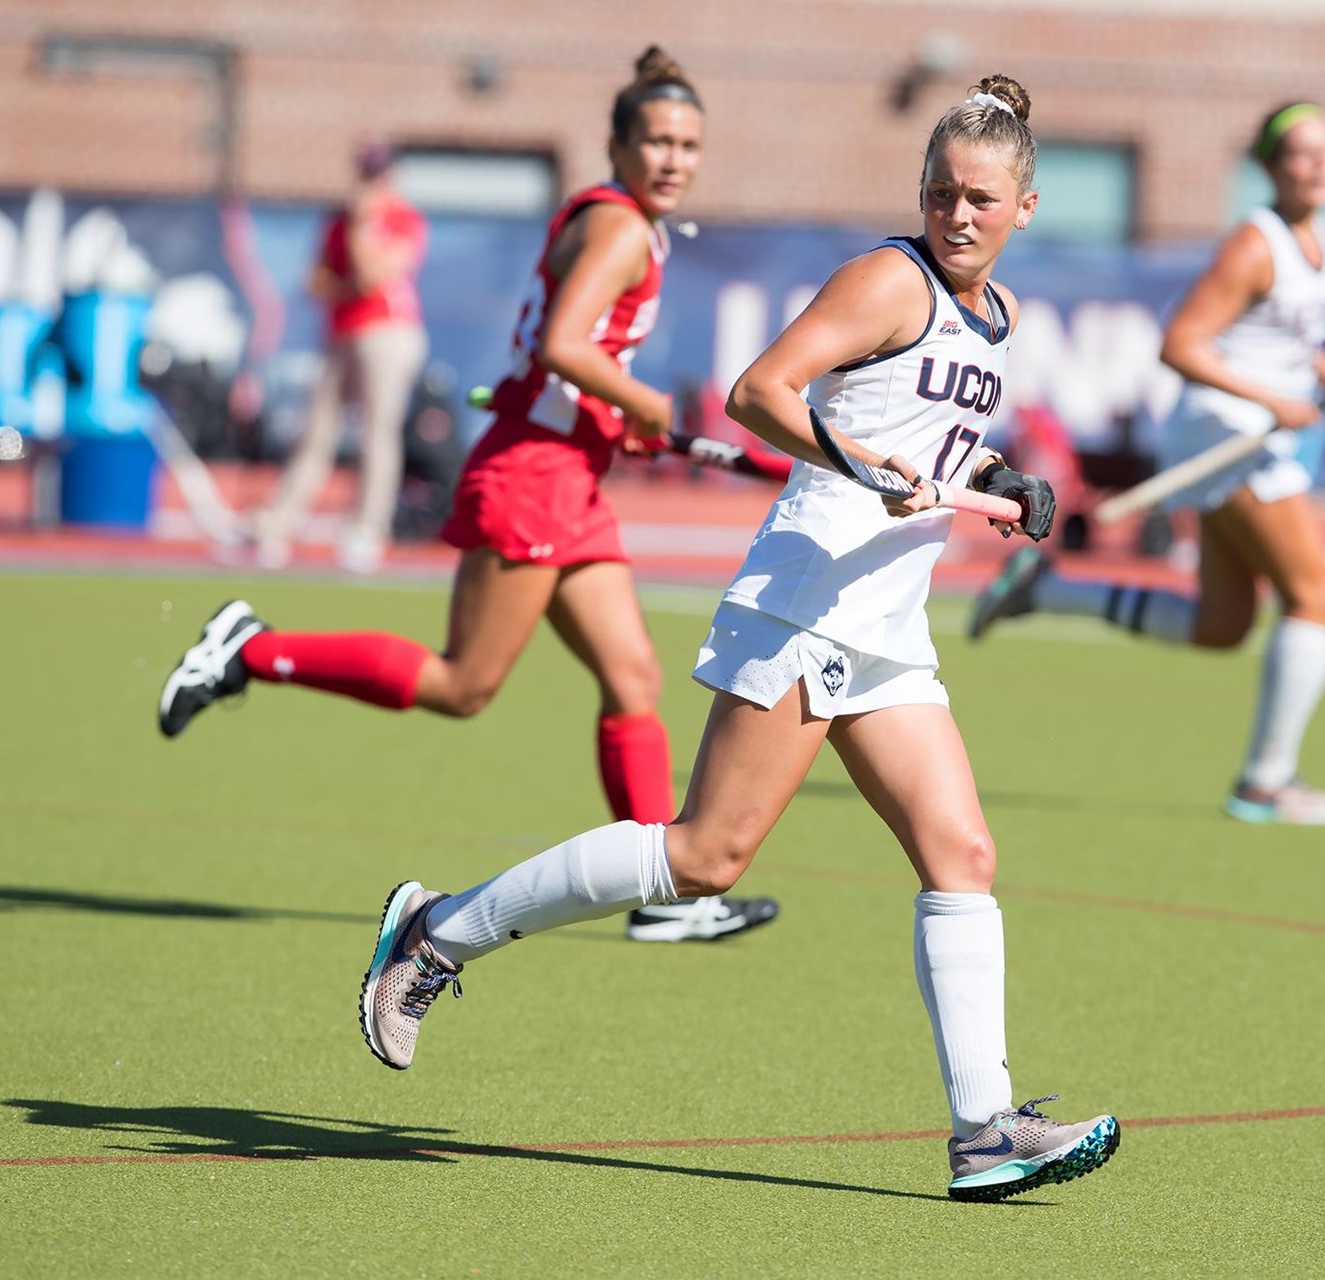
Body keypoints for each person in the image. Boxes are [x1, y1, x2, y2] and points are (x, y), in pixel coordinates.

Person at [352, 76, 1119, 1203]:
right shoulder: (888, 280)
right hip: (809, 596)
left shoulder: (996, 315)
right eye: (942, 193)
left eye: (983, 200)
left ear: (1026, 207)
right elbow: (762, 392)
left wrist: (998, 477)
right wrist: (864, 467)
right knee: (705, 855)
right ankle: (437, 932)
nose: (960, 215)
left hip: (887, 621)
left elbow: (920, 435)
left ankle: (984, 1131)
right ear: (921, 190)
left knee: (963, 854)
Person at [158, 48, 776, 944]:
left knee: (632, 676)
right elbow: (565, 344)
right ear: (617, 145)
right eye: (657, 142)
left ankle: (663, 898)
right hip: (532, 477)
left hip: (567, 476)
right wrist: (642, 404)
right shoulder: (618, 228)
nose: (675, 160)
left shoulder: (619, 220)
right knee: (463, 683)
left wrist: (615, 414)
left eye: (689, 145)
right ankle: (250, 651)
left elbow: (565, 363)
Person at [968, 101, 1325, 827]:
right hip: (1228, 437)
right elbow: (1182, 345)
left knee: (1222, 625)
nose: (1322, 164)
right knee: (1312, 595)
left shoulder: (1321, 238)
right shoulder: (1255, 246)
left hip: (1257, 434)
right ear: (1271, 167)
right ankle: (1266, 782)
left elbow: (1292, 343)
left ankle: (1048, 590)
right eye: (1303, 152)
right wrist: (1276, 401)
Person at [254, 138, 430, 574]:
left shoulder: (401, 218)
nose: (371, 181)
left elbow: (372, 275)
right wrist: (346, 268)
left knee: (377, 432)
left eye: (379, 172)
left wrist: (361, 226)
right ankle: (277, 526)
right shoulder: (338, 217)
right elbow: (316, 280)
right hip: (343, 333)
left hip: (388, 332)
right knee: (317, 431)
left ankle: (367, 530)